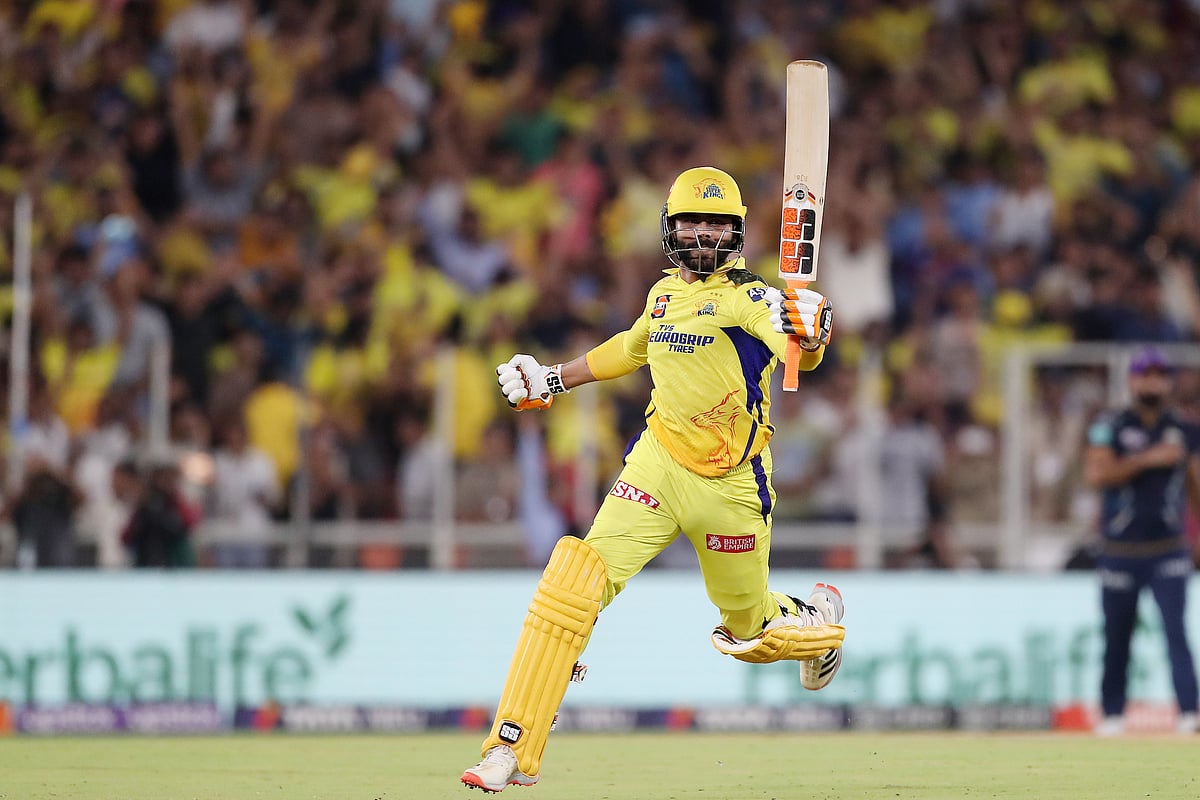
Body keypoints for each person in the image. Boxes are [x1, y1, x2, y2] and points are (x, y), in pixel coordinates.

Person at [461, 167, 845, 792]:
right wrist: (553, 379)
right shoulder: (663, 294)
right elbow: (632, 346)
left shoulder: (751, 297)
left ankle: (817, 625)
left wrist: (812, 326)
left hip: (732, 486)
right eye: (691, 221)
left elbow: (792, 337)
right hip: (658, 465)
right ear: (670, 228)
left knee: (747, 632)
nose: (702, 234)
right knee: (573, 582)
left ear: (736, 232)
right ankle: (510, 748)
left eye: (716, 224)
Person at [1083, 346, 1200, 736]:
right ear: (1132, 380)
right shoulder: (1110, 425)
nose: (1152, 381)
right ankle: (1112, 714)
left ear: (1167, 381)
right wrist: (1149, 459)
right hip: (1119, 551)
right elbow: (1097, 475)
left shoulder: (1185, 429)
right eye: (1144, 374)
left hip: (1168, 549)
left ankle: (1190, 713)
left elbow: (1195, 485)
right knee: (1117, 636)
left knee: (1176, 634)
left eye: (1159, 374)